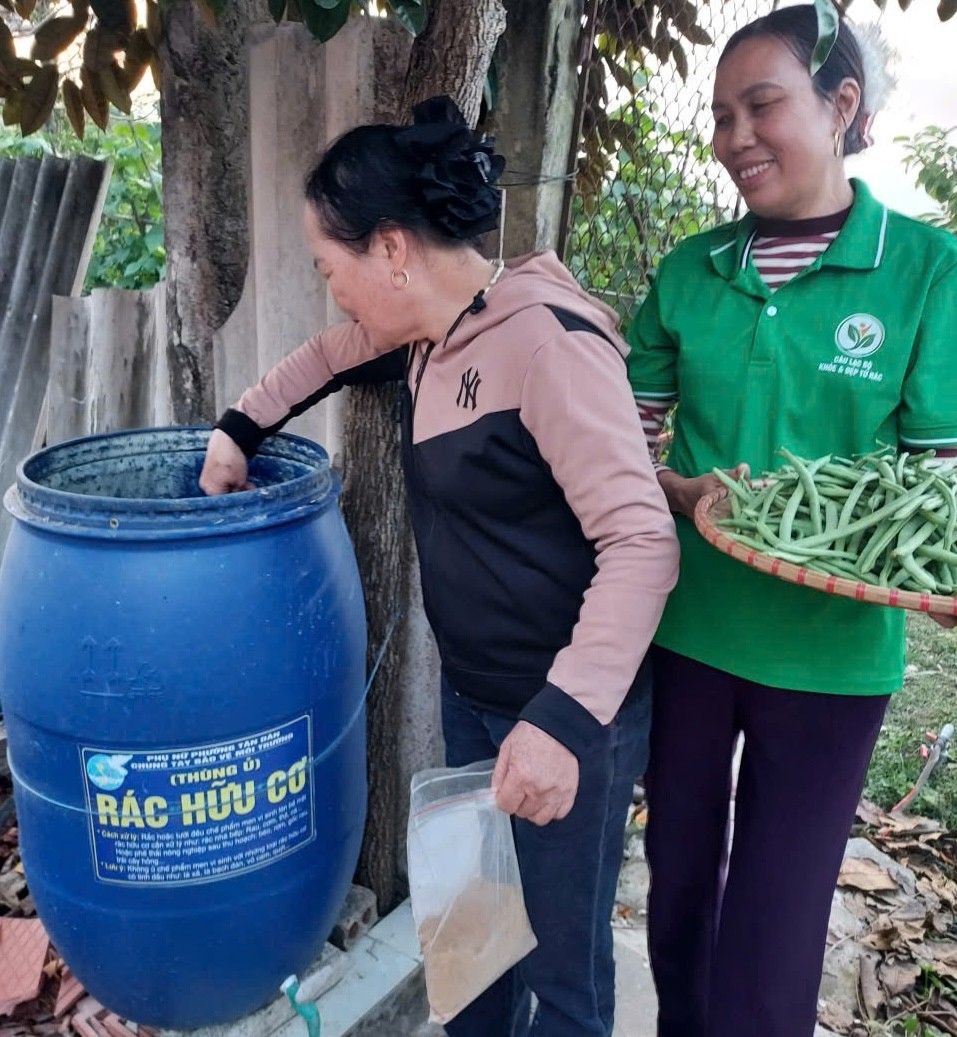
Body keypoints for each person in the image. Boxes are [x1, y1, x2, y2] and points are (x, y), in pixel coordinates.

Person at [201, 96, 679, 1037]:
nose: (328, 286)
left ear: (389, 248)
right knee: (471, 940)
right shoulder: (438, 330)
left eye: (328, 266)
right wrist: (238, 427)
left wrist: (560, 722)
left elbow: (641, 541)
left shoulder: (547, 341)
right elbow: (331, 353)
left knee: (561, 978)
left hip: (567, 719)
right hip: (476, 701)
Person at [627, 6, 957, 1036]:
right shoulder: (691, 270)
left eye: (761, 105)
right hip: (688, 626)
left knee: (775, 924)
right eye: (721, 115)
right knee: (677, 884)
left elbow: (934, 487)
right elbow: (627, 442)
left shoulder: (925, 271)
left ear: (841, 105)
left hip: (834, 650)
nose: (735, 137)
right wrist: (680, 491)